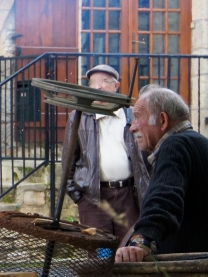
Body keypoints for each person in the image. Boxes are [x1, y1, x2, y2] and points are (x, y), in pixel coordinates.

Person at [116, 86, 208, 263]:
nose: (131, 128)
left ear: (162, 120)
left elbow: (165, 197)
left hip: (184, 274)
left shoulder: (175, 145)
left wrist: (142, 241)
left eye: (137, 117)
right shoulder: (200, 142)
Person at [62, 64, 150, 238]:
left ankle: (123, 266)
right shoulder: (79, 116)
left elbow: (147, 154)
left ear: (116, 86)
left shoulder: (131, 115)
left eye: (104, 81)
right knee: (99, 252)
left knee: (128, 247)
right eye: (93, 82)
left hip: (128, 197)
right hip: (94, 198)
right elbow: (68, 161)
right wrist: (79, 198)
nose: (98, 87)